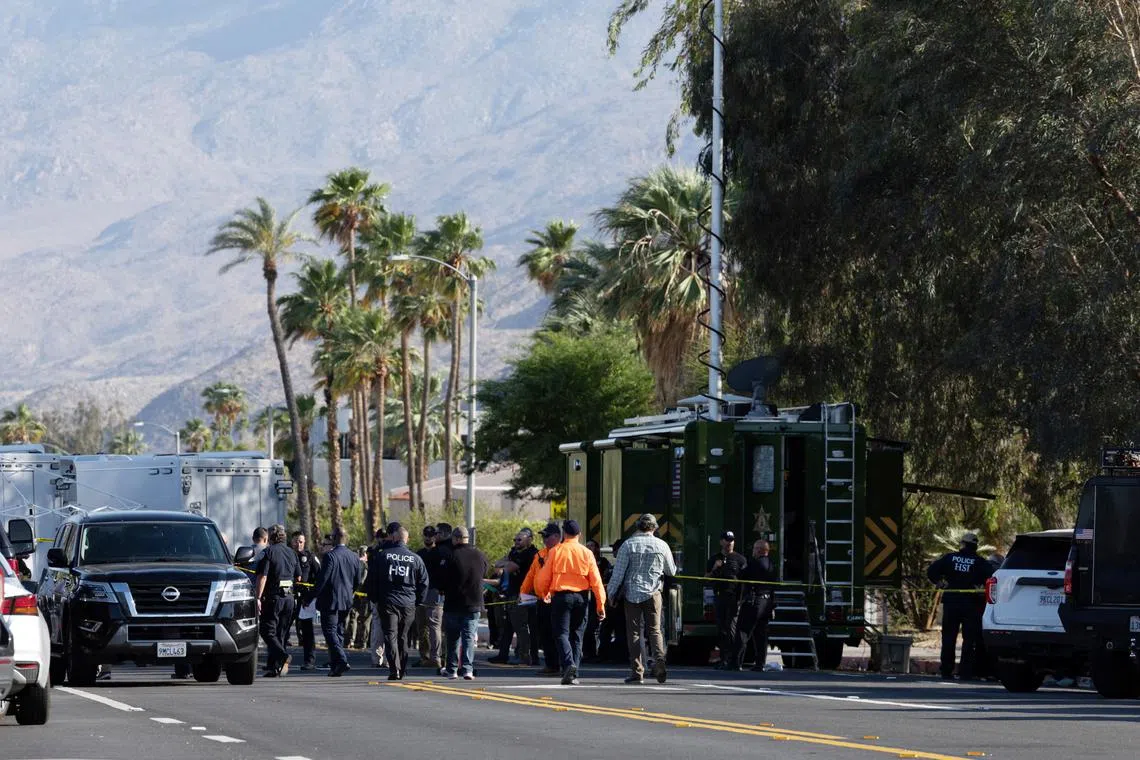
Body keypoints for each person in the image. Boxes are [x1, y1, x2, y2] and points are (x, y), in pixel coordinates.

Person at [607, 513, 676, 685]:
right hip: (654, 593)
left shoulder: (628, 545)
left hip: (632, 594)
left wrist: (611, 593)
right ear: (654, 528)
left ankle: (637, 671)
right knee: (655, 630)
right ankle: (659, 662)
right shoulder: (662, 545)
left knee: (635, 633)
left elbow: (618, 574)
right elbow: (671, 571)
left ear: (638, 526)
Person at [535, 519, 606, 685]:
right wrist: (600, 604)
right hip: (581, 598)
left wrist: (543, 593)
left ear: (564, 534)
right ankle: (574, 673)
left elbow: (543, 577)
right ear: (579, 534)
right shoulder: (586, 553)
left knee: (561, 633)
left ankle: (568, 665)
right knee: (577, 635)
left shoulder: (556, 551)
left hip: (561, 597)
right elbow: (596, 581)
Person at [927, 531, 994, 681]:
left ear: (962, 544)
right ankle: (965, 672)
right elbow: (993, 576)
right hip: (971, 604)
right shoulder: (980, 562)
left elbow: (931, 571)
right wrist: (981, 588)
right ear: (975, 546)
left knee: (949, 637)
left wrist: (939, 582)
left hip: (951, 602)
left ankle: (946, 671)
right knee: (969, 639)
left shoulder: (950, 558)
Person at [371, 526, 429, 680]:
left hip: (388, 602)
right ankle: (402, 669)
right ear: (406, 539)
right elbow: (424, 583)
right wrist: (418, 601)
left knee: (391, 636)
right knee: (403, 637)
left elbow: (372, 579)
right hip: (408, 603)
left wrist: (375, 599)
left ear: (395, 538)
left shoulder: (383, 555)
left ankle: (394, 669)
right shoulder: (416, 558)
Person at [312, 528, 363, 677]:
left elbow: (322, 580)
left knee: (329, 631)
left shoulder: (330, 556)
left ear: (334, 539)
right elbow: (357, 580)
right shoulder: (354, 557)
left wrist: (311, 597)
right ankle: (336, 666)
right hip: (346, 600)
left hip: (331, 600)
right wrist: (349, 592)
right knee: (338, 631)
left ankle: (340, 660)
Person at [442, 526, 488, 680]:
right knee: (468, 636)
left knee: (453, 638)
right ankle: (468, 669)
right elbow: (484, 572)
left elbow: (444, 579)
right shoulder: (480, 555)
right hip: (474, 602)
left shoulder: (451, 555)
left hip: (454, 602)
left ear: (456, 539)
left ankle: (452, 669)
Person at [254, 524, 301, 677]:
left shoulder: (269, 552)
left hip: (273, 598)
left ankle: (282, 656)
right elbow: (299, 577)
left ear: (271, 538)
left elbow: (263, 576)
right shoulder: (292, 553)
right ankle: (275, 667)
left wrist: (258, 597)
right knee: (280, 633)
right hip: (289, 598)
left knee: (266, 631)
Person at [489, 527, 539, 665]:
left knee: (521, 626)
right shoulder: (515, 552)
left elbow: (508, 568)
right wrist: (507, 563)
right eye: (515, 539)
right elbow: (498, 565)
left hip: (524, 594)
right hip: (513, 592)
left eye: (519, 539)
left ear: (529, 539)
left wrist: (507, 564)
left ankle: (525, 655)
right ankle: (503, 654)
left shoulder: (530, 553)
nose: (516, 542)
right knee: (509, 626)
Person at [521, 522, 562, 675]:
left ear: (557, 537)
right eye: (543, 536)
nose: (544, 539)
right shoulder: (540, 554)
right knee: (544, 633)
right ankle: (551, 664)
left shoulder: (561, 553)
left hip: (556, 599)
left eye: (547, 536)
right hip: (541, 600)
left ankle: (563, 664)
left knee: (558, 633)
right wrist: (523, 594)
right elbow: (530, 576)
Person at [731, 539, 777, 672]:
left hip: (754, 601)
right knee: (761, 634)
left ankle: (735, 663)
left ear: (761, 550)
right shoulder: (771, 565)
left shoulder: (755, 563)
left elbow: (741, 575)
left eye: (755, 548)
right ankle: (760, 663)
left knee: (742, 631)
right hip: (766, 602)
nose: (753, 551)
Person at [706, 530, 747, 669]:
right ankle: (723, 659)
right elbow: (706, 578)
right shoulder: (714, 558)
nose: (729, 543)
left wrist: (742, 598)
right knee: (721, 629)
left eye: (731, 540)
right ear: (721, 542)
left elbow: (746, 581)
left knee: (731, 628)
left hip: (734, 598)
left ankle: (733, 659)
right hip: (720, 595)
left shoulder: (740, 559)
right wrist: (714, 568)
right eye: (727, 540)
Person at [414, 525, 444, 668]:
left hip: (435, 592)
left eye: (431, 535)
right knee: (421, 627)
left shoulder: (439, 553)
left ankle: (436, 657)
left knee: (434, 626)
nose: (428, 537)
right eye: (426, 534)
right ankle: (424, 656)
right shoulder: (419, 554)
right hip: (420, 593)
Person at [291, 530, 321, 670]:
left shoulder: (309, 557)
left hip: (305, 599)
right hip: (288, 597)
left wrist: (311, 597)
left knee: (307, 632)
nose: (298, 544)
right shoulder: (287, 555)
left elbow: (319, 576)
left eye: (301, 541)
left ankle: (309, 661)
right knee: (282, 630)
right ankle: (277, 660)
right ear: (292, 542)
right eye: (296, 541)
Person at [597, 538, 627, 663]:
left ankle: (615, 655)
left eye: (615, 549)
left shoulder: (619, 567)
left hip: (617, 602)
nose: (613, 551)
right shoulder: (614, 566)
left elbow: (616, 583)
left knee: (615, 629)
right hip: (618, 602)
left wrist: (612, 597)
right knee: (612, 629)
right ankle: (613, 655)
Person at [583, 539, 612, 662]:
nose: (589, 547)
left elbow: (605, 578)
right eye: (587, 545)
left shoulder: (603, 562)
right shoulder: (582, 560)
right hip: (586, 595)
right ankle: (588, 653)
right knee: (587, 626)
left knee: (596, 626)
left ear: (597, 548)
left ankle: (599, 653)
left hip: (597, 596)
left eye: (592, 546)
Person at [365, 528, 390, 668]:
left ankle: (377, 658)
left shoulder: (374, 552)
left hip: (378, 595)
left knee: (378, 627)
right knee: (388, 629)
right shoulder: (386, 552)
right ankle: (385, 658)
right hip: (387, 595)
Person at [346, 546, 372, 650]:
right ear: (365, 554)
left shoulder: (354, 564)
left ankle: (351, 641)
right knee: (364, 620)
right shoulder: (365, 565)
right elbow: (362, 581)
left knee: (353, 618)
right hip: (363, 596)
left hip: (355, 595)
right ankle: (362, 642)